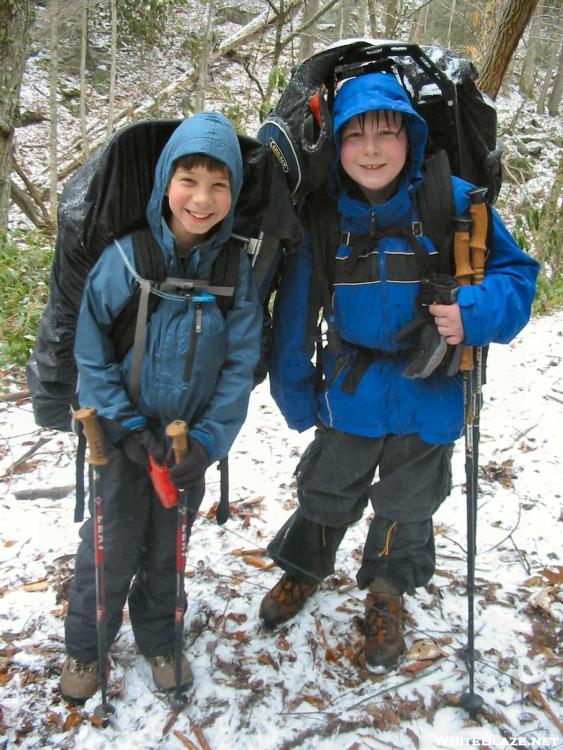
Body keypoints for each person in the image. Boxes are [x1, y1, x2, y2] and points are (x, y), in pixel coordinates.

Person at [259, 72, 539, 671]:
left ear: (410, 136)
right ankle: (303, 570)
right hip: (351, 388)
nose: (371, 149)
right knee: (327, 488)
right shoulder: (324, 219)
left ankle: (387, 593)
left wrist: (475, 311)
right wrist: (293, 388)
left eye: (386, 133)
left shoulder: (456, 202)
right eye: (355, 136)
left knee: (409, 500)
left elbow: (518, 277)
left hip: (431, 389)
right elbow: (297, 310)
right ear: (336, 145)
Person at [61, 112, 262, 700]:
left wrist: (207, 442)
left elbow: (239, 365)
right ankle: (85, 649)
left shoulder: (234, 270)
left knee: (168, 547)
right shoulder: (126, 259)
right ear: (163, 183)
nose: (202, 199)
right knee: (110, 544)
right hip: (121, 444)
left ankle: (160, 638)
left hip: (184, 449)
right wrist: (123, 428)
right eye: (189, 180)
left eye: (219, 185)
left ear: (234, 194)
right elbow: (91, 351)